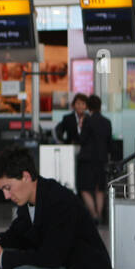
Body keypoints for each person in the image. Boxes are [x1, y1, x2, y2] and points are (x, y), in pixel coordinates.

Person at [0, 144, 135, 269]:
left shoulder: (60, 200)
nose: (6, 196)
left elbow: (51, 257)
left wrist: (3, 258)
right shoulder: (27, 200)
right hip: (56, 264)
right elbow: (15, 236)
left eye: (8, 188)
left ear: (26, 176)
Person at [54, 92, 100, 220]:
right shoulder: (67, 118)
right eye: (78, 103)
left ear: (86, 106)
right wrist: (64, 143)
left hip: (85, 155)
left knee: (84, 183)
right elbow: (59, 132)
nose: (80, 106)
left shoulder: (89, 119)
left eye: (83, 104)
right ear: (74, 105)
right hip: (70, 151)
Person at [86, 94, 114, 221]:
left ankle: (94, 214)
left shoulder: (87, 121)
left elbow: (82, 140)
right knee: (100, 189)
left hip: (88, 160)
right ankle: (100, 214)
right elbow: (109, 143)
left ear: (88, 107)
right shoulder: (107, 122)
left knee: (84, 188)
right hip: (102, 159)